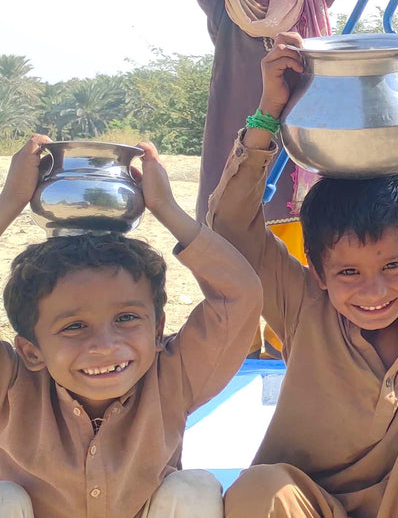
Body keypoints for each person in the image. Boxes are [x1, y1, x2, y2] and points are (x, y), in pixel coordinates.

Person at [207, 29, 398, 517]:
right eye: (348, 272)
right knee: (259, 489)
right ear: (318, 272)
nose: (374, 290)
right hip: (316, 507)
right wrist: (270, 111)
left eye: (392, 266)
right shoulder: (303, 308)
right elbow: (231, 228)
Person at [0, 135, 262, 517]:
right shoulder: (12, 383)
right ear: (31, 351)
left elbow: (241, 295)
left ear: (157, 331)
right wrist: (10, 201)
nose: (106, 345)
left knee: (194, 488)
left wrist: (167, 209)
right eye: (74, 327)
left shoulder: (173, 376)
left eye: (126, 318)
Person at [181, 0, 363, 358]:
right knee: (229, 227)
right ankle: (240, 340)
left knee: (289, 235)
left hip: (294, 140)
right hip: (234, 134)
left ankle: (285, 342)